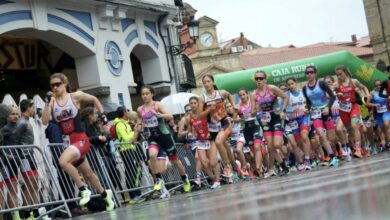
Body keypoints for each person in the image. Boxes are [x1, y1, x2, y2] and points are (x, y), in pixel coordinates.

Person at [41, 73, 114, 211]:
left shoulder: (74, 96)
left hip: (80, 139)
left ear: (65, 84)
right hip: (68, 143)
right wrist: (46, 103)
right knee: (88, 174)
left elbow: (94, 99)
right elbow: (44, 121)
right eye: (52, 85)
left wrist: (104, 118)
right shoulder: (52, 102)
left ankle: (83, 189)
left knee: (62, 162)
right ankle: (106, 195)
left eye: (58, 84)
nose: (55, 87)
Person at [137, 85, 191, 194]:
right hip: (152, 137)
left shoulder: (157, 105)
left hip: (164, 136)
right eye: (143, 94)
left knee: (175, 161)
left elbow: (170, 116)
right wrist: (139, 124)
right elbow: (139, 119)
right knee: (152, 155)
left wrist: (159, 115)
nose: (144, 96)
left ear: (152, 94)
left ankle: (185, 179)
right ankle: (158, 179)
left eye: (147, 93)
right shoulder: (140, 109)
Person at [197, 74, 236, 182]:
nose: (207, 84)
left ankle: (227, 166)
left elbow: (230, 95)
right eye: (205, 82)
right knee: (220, 154)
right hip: (212, 128)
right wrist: (209, 109)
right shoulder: (202, 98)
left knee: (219, 142)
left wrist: (233, 105)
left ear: (213, 82)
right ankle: (235, 167)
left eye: (209, 81)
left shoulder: (221, 93)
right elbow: (200, 116)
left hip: (224, 123)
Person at [252, 70, 289, 176]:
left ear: (265, 79)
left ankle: (282, 163)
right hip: (264, 120)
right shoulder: (254, 94)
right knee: (271, 146)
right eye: (257, 79)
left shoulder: (271, 88)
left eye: (261, 78)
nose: (258, 80)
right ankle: (283, 166)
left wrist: (283, 110)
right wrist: (254, 111)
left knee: (277, 144)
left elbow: (285, 97)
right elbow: (254, 111)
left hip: (276, 116)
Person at [302, 66, 338, 166]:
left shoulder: (321, 83)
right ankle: (332, 156)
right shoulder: (305, 88)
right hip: (315, 113)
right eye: (307, 72)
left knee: (331, 138)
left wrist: (328, 107)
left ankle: (334, 153)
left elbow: (333, 96)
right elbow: (309, 102)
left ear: (315, 73)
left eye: (311, 72)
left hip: (326, 111)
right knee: (321, 134)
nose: (309, 74)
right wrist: (307, 109)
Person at [334, 65, 370, 158]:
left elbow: (364, 87)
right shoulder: (337, 84)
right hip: (343, 110)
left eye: (340, 74)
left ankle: (359, 149)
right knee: (350, 132)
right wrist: (336, 94)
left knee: (355, 127)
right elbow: (328, 94)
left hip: (354, 107)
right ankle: (359, 147)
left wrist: (367, 95)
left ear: (345, 72)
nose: (338, 77)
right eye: (337, 75)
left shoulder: (354, 81)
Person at [187, 96, 221, 189]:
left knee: (213, 162)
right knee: (204, 163)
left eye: (195, 103)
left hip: (210, 139)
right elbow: (189, 130)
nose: (193, 105)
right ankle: (213, 179)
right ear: (189, 105)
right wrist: (190, 133)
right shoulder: (189, 117)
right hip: (200, 141)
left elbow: (214, 119)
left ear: (198, 104)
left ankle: (218, 180)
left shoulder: (204, 113)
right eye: (191, 103)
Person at [112, 106, 143, 203]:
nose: (129, 112)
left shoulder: (125, 123)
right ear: (124, 113)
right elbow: (126, 138)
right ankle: (134, 195)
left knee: (134, 171)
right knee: (131, 172)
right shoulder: (120, 124)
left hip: (130, 149)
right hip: (126, 150)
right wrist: (135, 132)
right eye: (127, 111)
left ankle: (136, 193)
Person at [285, 77, 312, 171]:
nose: (290, 86)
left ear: (296, 83)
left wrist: (307, 109)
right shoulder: (286, 96)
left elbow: (310, 103)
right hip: (293, 121)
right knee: (299, 142)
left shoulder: (303, 92)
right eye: (288, 84)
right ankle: (306, 158)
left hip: (304, 118)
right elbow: (282, 109)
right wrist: (291, 111)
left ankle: (307, 160)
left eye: (292, 83)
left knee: (304, 136)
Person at [237, 88, 264, 177]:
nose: (242, 97)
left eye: (243, 94)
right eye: (240, 95)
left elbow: (257, 111)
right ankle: (261, 168)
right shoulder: (238, 106)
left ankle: (258, 168)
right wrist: (241, 118)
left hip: (255, 126)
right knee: (254, 151)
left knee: (257, 147)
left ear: (247, 94)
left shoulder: (252, 102)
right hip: (246, 130)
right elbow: (234, 119)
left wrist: (254, 111)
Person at [378, 65, 390, 148]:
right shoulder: (386, 82)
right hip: (388, 108)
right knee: (386, 124)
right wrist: (387, 97)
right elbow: (380, 94)